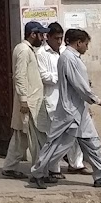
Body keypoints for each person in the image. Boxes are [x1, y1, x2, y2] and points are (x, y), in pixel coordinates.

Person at [28, 29, 101, 189]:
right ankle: (38, 173)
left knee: (92, 143)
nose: (87, 48)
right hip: (69, 111)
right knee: (56, 145)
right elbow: (80, 86)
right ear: (79, 43)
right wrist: (98, 101)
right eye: (86, 44)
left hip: (79, 110)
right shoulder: (69, 58)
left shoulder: (71, 57)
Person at [40, 23, 88, 176]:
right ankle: (53, 169)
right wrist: (63, 77)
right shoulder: (42, 53)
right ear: (48, 37)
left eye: (61, 38)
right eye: (56, 38)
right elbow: (44, 76)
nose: (59, 42)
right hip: (53, 100)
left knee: (74, 134)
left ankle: (76, 163)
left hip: (70, 100)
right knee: (56, 137)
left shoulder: (65, 52)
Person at [1, 21, 46, 178]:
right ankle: (39, 172)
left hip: (31, 101)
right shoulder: (23, 50)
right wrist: (24, 101)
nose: (43, 38)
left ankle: (10, 167)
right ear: (33, 34)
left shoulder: (27, 50)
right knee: (36, 139)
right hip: (29, 103)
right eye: (41, 34)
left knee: (21, 136)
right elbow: (19, 76)